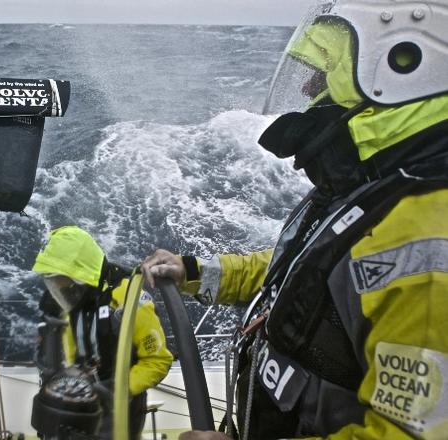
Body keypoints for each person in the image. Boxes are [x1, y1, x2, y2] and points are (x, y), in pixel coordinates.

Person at [142, 1, 448, 439]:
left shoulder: (430, 245)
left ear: (403, 71)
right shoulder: (373, 192)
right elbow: (301, 273)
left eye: (325, 74)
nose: (308, 89)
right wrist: (194, 272)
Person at [32, 226, 173, 439]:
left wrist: (117, 390)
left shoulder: (129, 299)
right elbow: (71, 353)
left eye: (62, 281)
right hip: (82, 400)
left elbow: (158, 361)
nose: (58, 289)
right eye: (53, 283)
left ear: (81, 276)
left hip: (121, 405)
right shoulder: (72, 298)